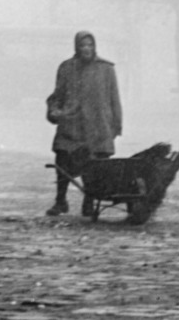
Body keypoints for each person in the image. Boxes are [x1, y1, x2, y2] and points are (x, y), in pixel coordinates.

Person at [46, 31, 122, 216]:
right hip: (71, 126)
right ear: (76, 47)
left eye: (90, 45)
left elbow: (114, 99)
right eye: (82, 45)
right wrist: (54, 110)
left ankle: (89, 202)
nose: (86, 49)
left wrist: (116, 125)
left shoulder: (106, 69)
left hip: (98, 127)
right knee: (62, 161)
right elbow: (57, 95)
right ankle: (60, 201)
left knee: (95, 167)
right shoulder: (66, 68)